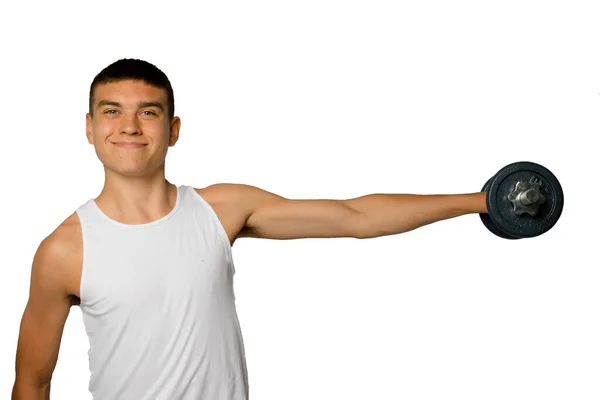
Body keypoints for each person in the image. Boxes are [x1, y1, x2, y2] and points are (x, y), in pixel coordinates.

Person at [11, 58, 488, 400]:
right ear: (90, 128)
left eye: (148, 111)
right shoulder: (65, 249)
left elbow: (355, 216)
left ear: (173, 129)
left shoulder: (222, 209)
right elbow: (32, 383)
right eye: (112, 111)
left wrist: (483, 202)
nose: (130, 125)